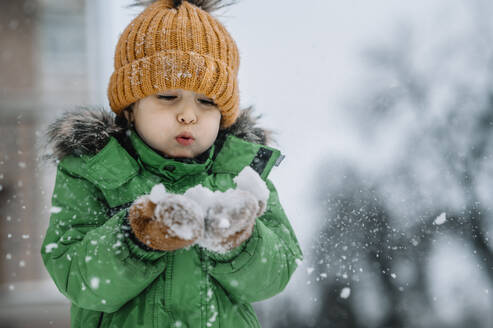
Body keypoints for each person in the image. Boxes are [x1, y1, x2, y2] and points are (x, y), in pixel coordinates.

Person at [40, 1, 303, 327]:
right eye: (167, 96)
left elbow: (275, 275)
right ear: (130, 108)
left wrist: (239, 242)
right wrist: (135, 239)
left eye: (207, 102)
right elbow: (76, 276)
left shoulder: (242, 172)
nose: (188, 114)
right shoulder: (92, 169)